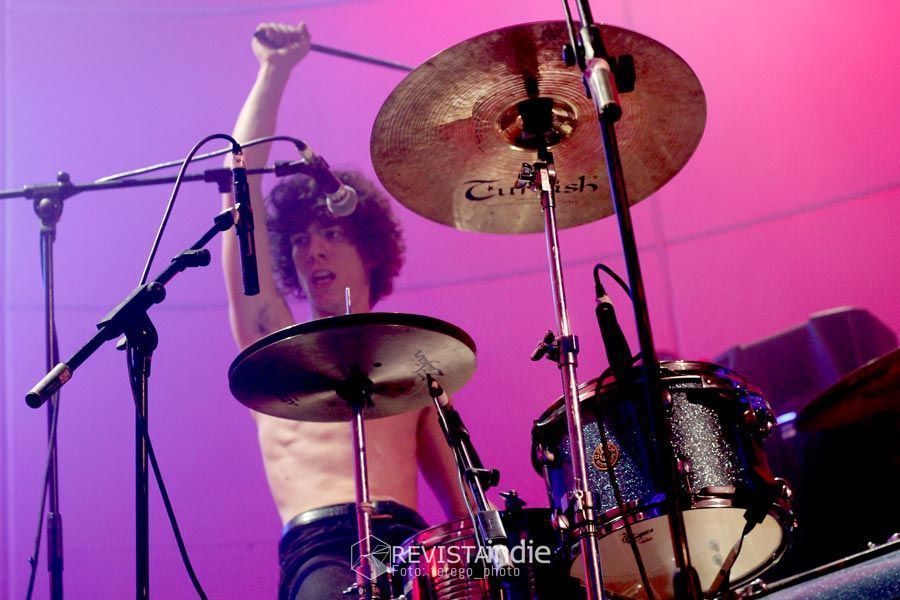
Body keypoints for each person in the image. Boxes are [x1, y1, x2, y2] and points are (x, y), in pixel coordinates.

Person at [220, 21, 468, 599]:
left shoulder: (414, 361)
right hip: (321, 552)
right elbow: (240, 195)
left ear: (369, 251)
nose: (313, 250)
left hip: (409, 548)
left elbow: (466, 512)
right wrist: (273, 72)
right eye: (300, 239)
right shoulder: (275, 350)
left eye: (330, 233)